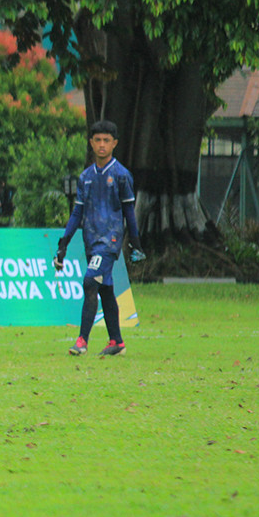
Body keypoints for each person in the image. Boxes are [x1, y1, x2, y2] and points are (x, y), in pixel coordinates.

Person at [54, 120, 145, 356]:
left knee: (89, 282)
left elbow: (128, 213)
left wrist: (135, 242)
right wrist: (64, 242)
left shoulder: (122, 175)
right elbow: (77, 213)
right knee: (105, 289)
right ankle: (117, 342)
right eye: (98, 140)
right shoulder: (85, 177)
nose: (102, 145)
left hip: (110, 240)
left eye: (107, 140)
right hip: (91, 240)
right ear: (91, 142)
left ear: (114, 143)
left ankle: (82, 340)